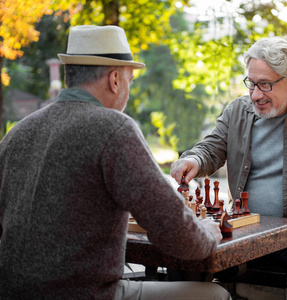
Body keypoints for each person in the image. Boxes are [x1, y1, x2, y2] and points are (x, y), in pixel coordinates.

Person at [0, 25, 231, 300]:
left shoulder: (18, 133)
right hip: (87, 294)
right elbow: (174, 231)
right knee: (216, 294)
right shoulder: (113, 128)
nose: (128, 88)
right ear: (115, 80)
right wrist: (206, 232)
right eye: (130, 81)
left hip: (11, 292)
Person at [171, 36, 287, 299]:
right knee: (184, 256)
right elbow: (211, 148)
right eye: (251, 84)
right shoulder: (237, 111)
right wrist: (194, 160)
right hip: (244, 231)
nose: (255, 95)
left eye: (265, 85)